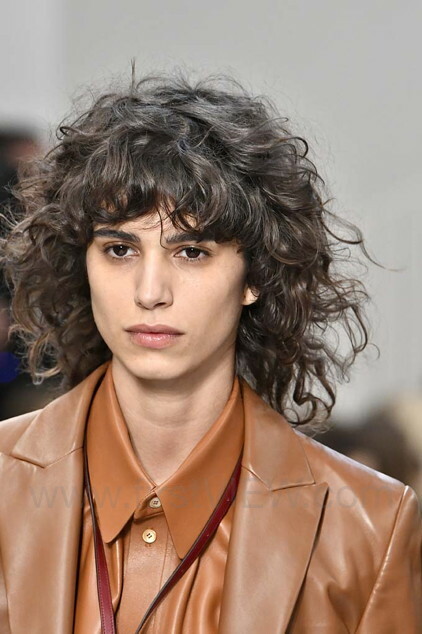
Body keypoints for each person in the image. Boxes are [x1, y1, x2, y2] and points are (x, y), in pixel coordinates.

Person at [0, 72, 420, 634]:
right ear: (84, 264)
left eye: (192, 252)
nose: (150, 292)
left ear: (256, 276)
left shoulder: (370, 526)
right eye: (120, 249)